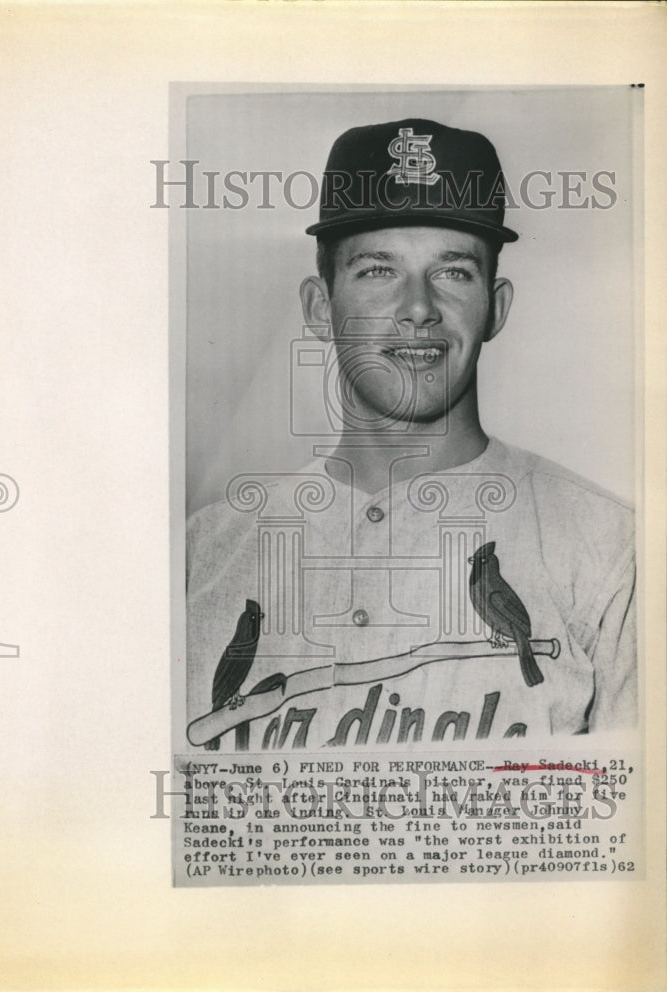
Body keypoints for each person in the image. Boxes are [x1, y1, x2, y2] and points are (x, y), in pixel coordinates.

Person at [185, 118, 636, 751]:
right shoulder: (201, 554)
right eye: (378, 271)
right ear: (319, 306)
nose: (418, 308)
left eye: (453, 272)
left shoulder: (610, 547)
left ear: (496, 308)